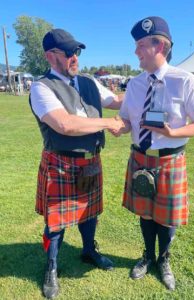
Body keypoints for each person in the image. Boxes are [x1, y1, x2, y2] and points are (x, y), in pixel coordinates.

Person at [112, 16, 194, 291]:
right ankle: (147, 255)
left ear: (161, 46)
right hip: (140, 157)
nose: (136, 51)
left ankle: (164, 258)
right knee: (145, 214)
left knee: (166, 218)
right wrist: (120, 126)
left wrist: (171, 133)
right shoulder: (134, 84)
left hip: (170, 159)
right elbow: (127, 119)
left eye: (141, 45)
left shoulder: (184, 80)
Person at [30, 28, 124, 299]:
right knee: (55, 222)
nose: (75, 57)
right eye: (68, 52)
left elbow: (117, 100)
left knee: (90, 214)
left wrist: (149, 85)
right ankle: (51, 266)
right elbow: (64, 124)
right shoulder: (41, 87)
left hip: (91, 160)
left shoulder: (89, 82)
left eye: (77, 52)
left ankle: (89, 251)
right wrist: (108, 123)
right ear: (51, 56)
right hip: (61, 162)